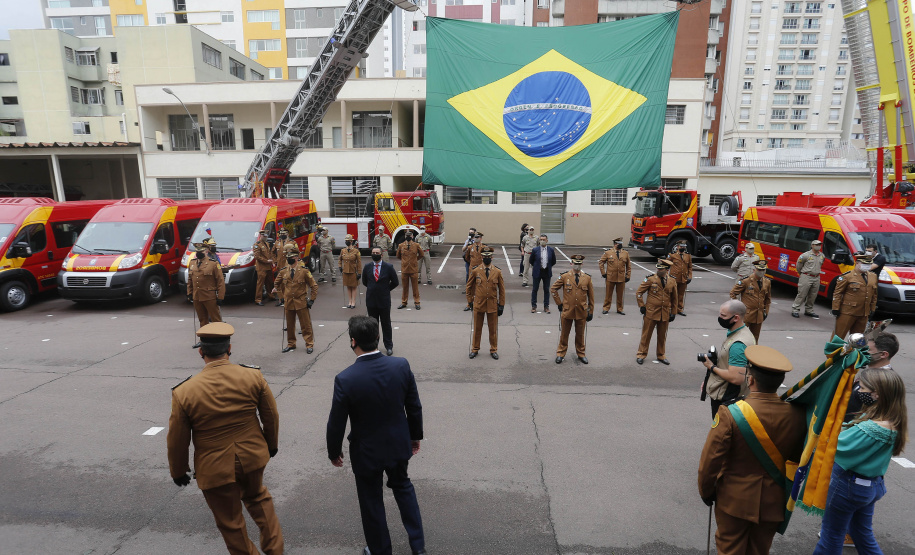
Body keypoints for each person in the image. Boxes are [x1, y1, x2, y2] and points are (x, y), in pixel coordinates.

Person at [167, 322, 283, 555]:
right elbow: (271, 415)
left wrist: (178, 470)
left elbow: (177, 439)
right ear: (230, 348)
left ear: (201, 351)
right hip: (252, 457)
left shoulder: (184, 391)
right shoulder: (253, 376)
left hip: (215, 466)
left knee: (231, 524)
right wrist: (271, 445)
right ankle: (276, 550)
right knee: (259, 499)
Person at [326, 316, 426, 555]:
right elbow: (414, 406)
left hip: (366, 451)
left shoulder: (346, 378)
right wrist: (414, 436)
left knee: (371, 501)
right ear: (378, 338)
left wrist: (333, 451)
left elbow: (336, 421)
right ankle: (418, 546)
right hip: (397, 443)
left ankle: (381, 550)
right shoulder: (400, 365)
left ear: (353, 342)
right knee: (403, 488)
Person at [698, 345, 806, 555]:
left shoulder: (730, 412)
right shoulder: (798, 414)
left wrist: (707, 491)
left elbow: (711, 460)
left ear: (751, 379)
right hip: (773, 501)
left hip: (734, 500)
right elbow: (797, 456)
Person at [812, 367, 907, 554]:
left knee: (831, 535)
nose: (859, 392)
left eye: (862, 388)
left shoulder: (872, 429)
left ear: (877, 394)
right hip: (871, 486)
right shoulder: (892, 419)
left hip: (849, 487)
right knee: (862, 533)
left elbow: (835, 447)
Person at [839, 331, 899, 548]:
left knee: (832, 533)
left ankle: (846, 533)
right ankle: (850, 532)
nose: (862, 352)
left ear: (883, 354)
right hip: (852, 439)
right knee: (863, 530)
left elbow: (871, 424)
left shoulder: (882, 383)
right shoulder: (867, 372)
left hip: (856, 455)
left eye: (868, 350)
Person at [702, 300, 756, 418]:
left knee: (722, 433)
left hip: (728, 398)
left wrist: (711, 367)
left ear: (735, 318)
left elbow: (736, 378)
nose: (720, 318)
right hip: (730, 394)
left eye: (723, 315)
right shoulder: (741, 331)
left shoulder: (738, 344)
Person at [273, 244, 319, 354]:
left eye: (291, 258)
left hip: (301, 301)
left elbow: (314, 286)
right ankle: (291, 343)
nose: (288, 259)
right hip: (288, 302)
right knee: (290, 325)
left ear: (296, 258)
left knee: (305, 325)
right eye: (287, 257)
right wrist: (281, 297)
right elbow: (276, 284)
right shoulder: (284, 271)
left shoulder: (304, 271)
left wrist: (312, 300)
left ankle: (309, 344)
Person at [550, 254, 594, 364]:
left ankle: (581, 354)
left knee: (580, 335)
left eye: (579, 264)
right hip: (567, 310)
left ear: (582, 264)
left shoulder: (587, 278)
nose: (577, 266)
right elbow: (553, 289)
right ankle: (560, 353)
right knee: (564, 334)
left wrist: (590, 311)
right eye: (575, 263)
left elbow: (591, 297)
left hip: (581, 311)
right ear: (571, 264)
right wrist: (559, 304)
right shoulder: (565, 276)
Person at [635, 259, 678, 365]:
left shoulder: (672, 281)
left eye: (661, 269)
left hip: (664, 313)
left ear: (667, 270)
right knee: (646, 335)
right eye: (658, 268)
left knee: (662, 336)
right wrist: (642, 306)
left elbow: (675, 298)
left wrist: (673, 312)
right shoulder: (650, 279)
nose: (658, 270)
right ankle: (641, 354)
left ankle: (661, 355)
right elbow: (639, 292)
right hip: (651, 312)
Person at [466, 246, 505, 359]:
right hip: (478, 304)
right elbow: (469, 287)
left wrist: (501, 305)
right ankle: (475, 349)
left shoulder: (497, 271)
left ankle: (493, 349)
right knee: (477, 329)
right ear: (482, 258)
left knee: (493, 330)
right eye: (484, 257)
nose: (486, 258)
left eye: (488, 257)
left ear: (492, 257)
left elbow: (502, 290)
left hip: (492, 305)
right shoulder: (476, 270)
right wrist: (470, 301)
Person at [187, 241, 225, 348]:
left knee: (215, 319)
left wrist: (220, 296)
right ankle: (204, 340)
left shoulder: (213, 263)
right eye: (197, 251)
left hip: (210, 296)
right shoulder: (192, 263)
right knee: (202, 319)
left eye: (201, 251)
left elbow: (220, 281)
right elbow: (190, 279)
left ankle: (221, 339)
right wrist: (189, 293)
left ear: (206, 251)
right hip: (197, 296)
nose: (199, 253)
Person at [832, 252, 878, 339]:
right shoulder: (847, 276)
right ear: (857, 263)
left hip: (863, 312)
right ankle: (833, 352)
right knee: (839, 335)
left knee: (857, 338)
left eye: (869, 264)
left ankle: (853, 352)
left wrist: (872, 308)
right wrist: (835, 308)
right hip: (848, 311)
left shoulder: (873, 276)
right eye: (864, 264)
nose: (867, 266)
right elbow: (838, 293)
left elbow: (874, 294)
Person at [362, 246, 399, 356]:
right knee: (373, 325)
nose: (375, 254)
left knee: (386, 324)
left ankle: (388, 346)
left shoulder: (388, 267)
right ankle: (374, 346)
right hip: (371, 301)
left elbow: (395, 282)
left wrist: (385, 289)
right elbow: (365, 281)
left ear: (381, 254)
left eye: (377, 252)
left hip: (384, 300)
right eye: (373, 252)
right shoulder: (367, 267)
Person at [729, 259, 771, 342]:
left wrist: (765, 312)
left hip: (758, 315)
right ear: (754, 270)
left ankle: (752, 354)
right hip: (746, 315)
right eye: (759, 270)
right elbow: (733, 293)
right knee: (739, 336)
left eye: (763, 270)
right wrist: (738, 309)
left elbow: (768, 299)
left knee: (755, 338)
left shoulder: (767, 282)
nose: (761, 272)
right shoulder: (746, 281)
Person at [791, 239, 825, 318]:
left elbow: (821, 264)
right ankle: (795, 309)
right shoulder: (805, 255)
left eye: (819, 245)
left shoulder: (822, 255)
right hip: (806, 276)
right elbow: (798, 266)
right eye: (816, 245)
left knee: (813, 295)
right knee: (802, 294)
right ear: (812, 245)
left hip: (816, 277)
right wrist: (803, 274)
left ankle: (809, 310)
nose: (818, 246)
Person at [599, 237, 631, 315]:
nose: (620, 245)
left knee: (620, 295)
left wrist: (628, 275)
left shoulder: (625, 253)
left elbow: (628, 265)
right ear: (615, 244)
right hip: (610, 277)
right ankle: (606, 308)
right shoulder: (608, 253)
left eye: (621, 244)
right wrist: (603, 273)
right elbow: (601, 262)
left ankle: (620, 309)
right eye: (619, 244)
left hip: (621, 277)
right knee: (608, 294)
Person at [396, 230, 424, 310]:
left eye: (410, 236)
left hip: (413, 269)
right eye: (407, 236)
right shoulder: (401, 245)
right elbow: (398, 256)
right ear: (405, 237)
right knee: (405, 287)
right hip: (404, 269)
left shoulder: (416, 245)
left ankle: (417, 302)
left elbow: (421, 254)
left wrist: (415, 260)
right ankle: (404, 302)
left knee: (415, 287)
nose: (408, 237)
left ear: (412, 236)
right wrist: (404, 261)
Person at [529, 234, 556, 313]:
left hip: (547, 272)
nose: (542, 241)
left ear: (547, 240)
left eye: (544, 239)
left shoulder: (551, 250)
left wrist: (547, 266)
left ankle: (546, 306)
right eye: (541, 239)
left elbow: (553, 261)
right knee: (535, 289)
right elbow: (531, 261)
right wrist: (537, 266)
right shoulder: (535, 250)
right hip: (537, 272)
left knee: (546, 290)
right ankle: (534, 306)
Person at [272, 228, 298, 307]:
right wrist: (275, 261)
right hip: (280, 265)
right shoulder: (277, 242)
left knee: (289, 282)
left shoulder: (292, 242)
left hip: (288, 265)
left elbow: (297, 252)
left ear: (288, 234)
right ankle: (281, 299)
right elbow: (272, 252)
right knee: (279, 283)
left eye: (284, 234)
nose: (282, 235)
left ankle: (290, 299)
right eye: (281, 234)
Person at [667, 240, 692, 316]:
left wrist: (690, 277)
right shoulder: (672, 255)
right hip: (674, 278)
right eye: (681, 247)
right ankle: (671, 309)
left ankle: (679, 309)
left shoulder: (688, 256)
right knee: (672, 294)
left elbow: (690, 267)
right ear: (677, 247)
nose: (683, 248)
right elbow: (666, 264)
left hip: (683, 278)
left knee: (681, 295)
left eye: (684, 247)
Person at [339, 234, 362, 309]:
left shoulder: (356, 251)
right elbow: (340, 259)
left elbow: (359, 262)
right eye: (346, 241)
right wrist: (340, 267)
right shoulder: (343, 250)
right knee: (348, 286)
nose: (346, 242)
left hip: (353, 271)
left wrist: (359, 272)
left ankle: (353, 302)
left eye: (348, 241)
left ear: (351, 241)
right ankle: (349, 301)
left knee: (354, 286)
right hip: (345, 271)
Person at [253, 229, 275, 306]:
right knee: (260, 284)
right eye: (264, 236)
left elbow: (269, 254)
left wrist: (272, 261)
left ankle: (270, 295)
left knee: (269, 282)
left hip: (268, 266)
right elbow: (257, 257)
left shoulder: (267, 243)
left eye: (266, 236)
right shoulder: (257, 245)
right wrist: (267, 261)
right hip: (261, 267)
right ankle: (258, 299)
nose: (265, 237)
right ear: (261, 236)